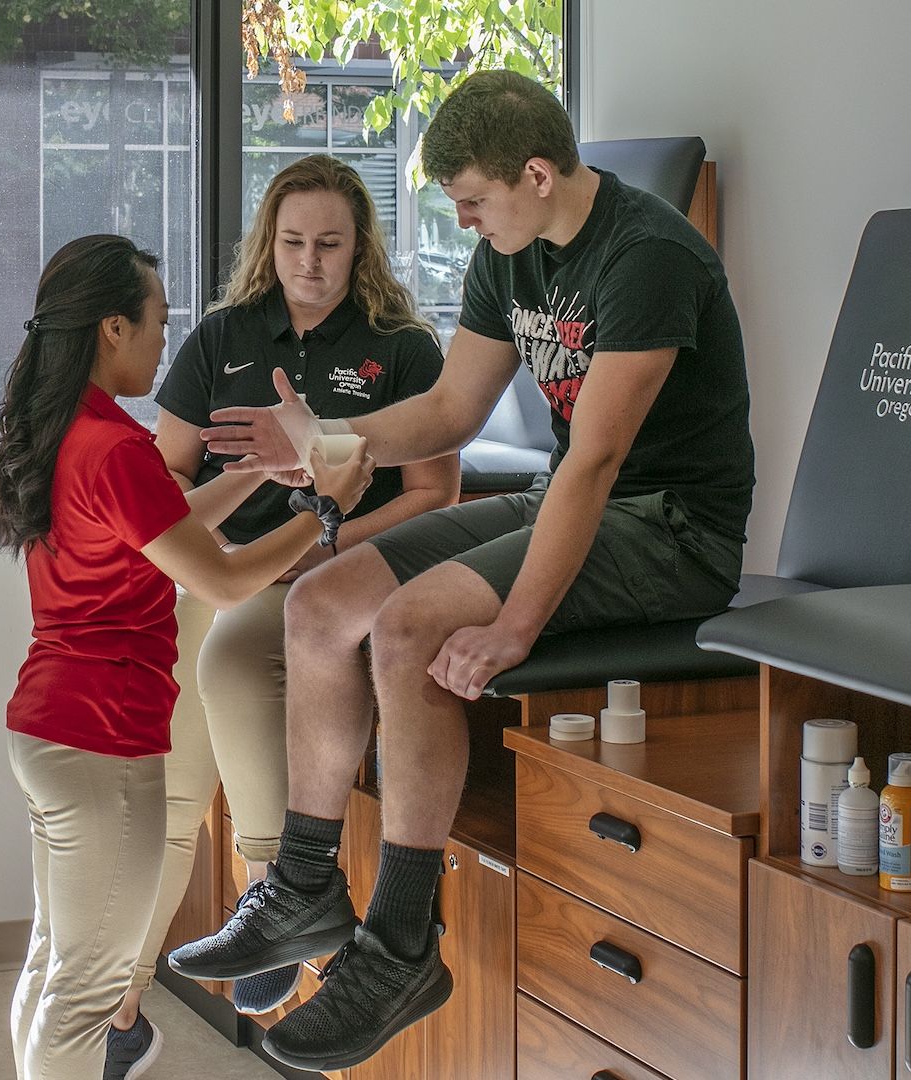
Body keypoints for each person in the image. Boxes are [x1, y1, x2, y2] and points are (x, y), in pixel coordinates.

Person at [169, 69, 755, 1072]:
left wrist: (514, 626)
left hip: (672, 526)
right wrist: (322, 438)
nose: (464, 221)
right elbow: (447, 414)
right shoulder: (513, 252)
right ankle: (307, 887)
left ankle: (401, 947)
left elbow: (598, 462)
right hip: (574, 500)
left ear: (536, 174)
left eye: (474, 201)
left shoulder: (648, 256)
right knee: (323, 602)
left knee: (409, 629)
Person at [0, 233, 374, 1080]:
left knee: (57, 964)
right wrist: (328, 512)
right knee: (87, 990)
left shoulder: (73, 431)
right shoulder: (115, 447)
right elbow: (224, 582)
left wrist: (270, 475)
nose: (167, 340)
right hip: (100, 741)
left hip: (47, 729)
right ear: (112, 328)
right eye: (158, 321)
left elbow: (165, 524)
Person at [104, 154, 458, 1072]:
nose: (310, 261)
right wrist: (227, 507)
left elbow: (435, 493)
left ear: (359, 249)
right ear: (270, 243)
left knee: (229, 663)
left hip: (323, 571)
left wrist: (329, 543)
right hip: (215, 571)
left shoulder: (403, 347)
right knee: (166, 791)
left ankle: (280, 894)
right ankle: (122, 1009)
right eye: (294, 242)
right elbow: (167, 474)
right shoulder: (223, 337)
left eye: (330, 244)